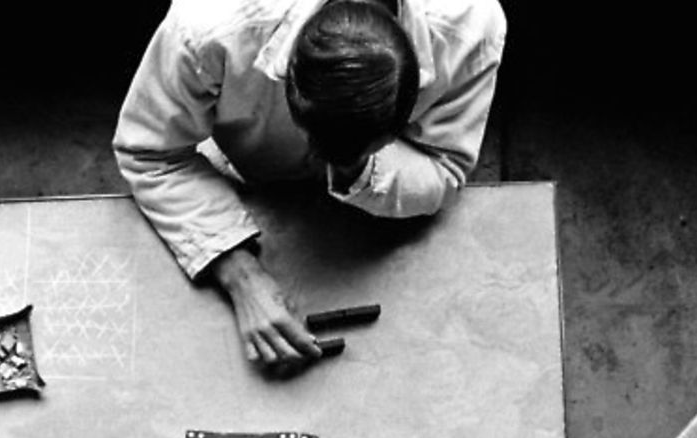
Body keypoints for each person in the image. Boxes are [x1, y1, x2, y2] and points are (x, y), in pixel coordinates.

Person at [114, 0, 507, 374]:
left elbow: (445, 166)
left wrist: (359, 170)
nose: (321, 161)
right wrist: (239, 272)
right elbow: (149, 152)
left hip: (375, 226)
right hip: (240, 177)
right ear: (289, 79)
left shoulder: (471, 24)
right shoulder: (206, 25)